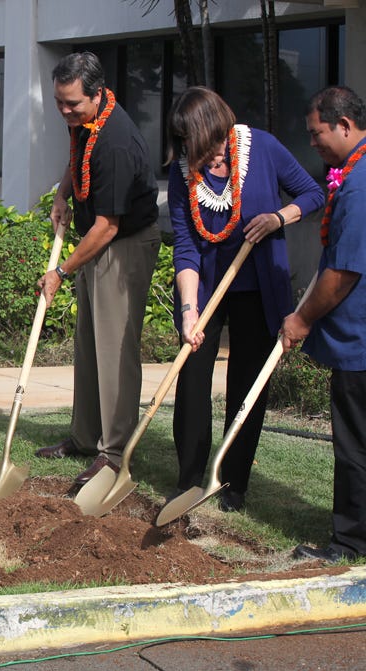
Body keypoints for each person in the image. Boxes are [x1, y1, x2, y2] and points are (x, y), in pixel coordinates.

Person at [166, 87, 324, 512]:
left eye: (190, 141)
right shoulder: (184, 173)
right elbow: (185, 245)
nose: (186, 150)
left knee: (248, 382)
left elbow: (313, 193)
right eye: (181, 143)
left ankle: (233, 481)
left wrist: (277, 218)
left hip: (257, 286)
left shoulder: (262, 148)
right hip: (206, 291)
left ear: (212, 131)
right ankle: (189, 478)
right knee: (192, 378)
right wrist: (188, 310)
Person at [34, 52, 161, 487]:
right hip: (98, 239)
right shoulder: (85, 125)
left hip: (123, 246)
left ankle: (113, 452)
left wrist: (61, 272)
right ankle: (85, 437)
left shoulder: (117, 141)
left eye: (72, 104)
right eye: (59, 102)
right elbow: (76, 158)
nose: (65, 111)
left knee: (114, 351)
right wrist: (61, 194)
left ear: (97, 93)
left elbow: (109, 226)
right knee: (88, 344)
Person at [281, 85, 366, 563]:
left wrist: (302, 318)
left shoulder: (358, 184)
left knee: (354, 445)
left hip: (360, 342)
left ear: (344, 125)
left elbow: (343, 271)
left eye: (317, 133)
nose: (312, 142)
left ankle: (350, 541)